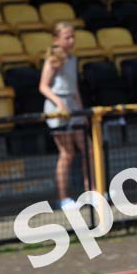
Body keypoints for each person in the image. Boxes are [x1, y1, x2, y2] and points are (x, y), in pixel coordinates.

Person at [38, 22, 91, 210]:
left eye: (73, 36)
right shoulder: (53, 59)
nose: (71, 40)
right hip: (57, 107)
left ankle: (91, 191)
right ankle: (63, 198)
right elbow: (43, 86)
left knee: (88, 150)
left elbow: (74, 87)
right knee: (67, 154)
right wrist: (59, 103)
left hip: (73, 106)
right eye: (67, 37)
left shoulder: (73, 58)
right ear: (57, 39)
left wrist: (81, 110)